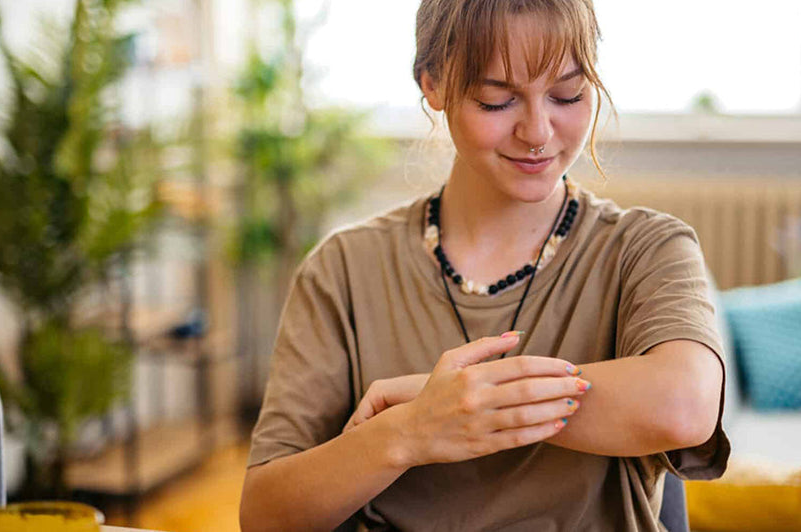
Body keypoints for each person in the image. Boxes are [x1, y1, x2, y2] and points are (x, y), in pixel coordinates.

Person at [239, 0, 730, 530]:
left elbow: (685, 407)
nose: (539, 131)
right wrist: (412, 430)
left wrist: (461, 401)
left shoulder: (647, 247)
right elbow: (268, 512)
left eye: (568, 94)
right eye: (497, 101)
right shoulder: (343, 270)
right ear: (433, 84)